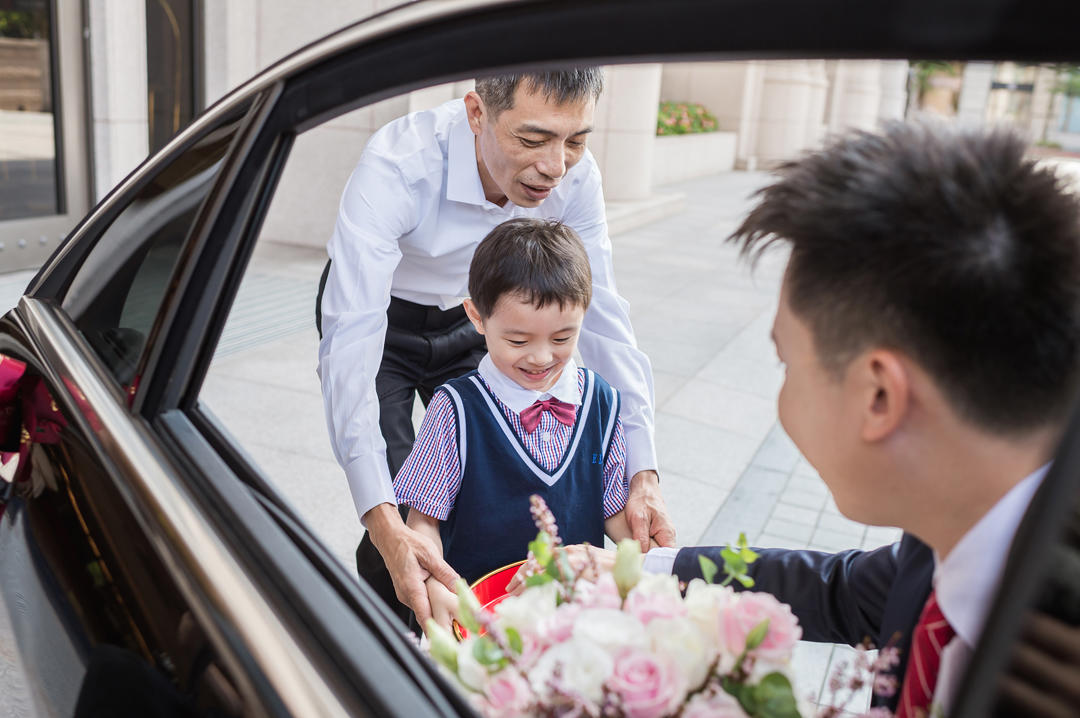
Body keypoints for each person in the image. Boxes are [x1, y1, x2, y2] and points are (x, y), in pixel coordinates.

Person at [518, 121, 1080, 717]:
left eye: (786, 363)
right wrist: (648, 569)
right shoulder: (950, 537)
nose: (782, 400)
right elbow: (839, 592)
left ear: (879, 397)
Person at [317, 69, 675, 628]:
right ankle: (396, 640)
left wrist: (643, 473)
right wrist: (378, 514)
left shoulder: (576, 179)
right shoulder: (398, 164)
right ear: (477, 113)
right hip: (384, 321)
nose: (555, 166)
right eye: (532, 140)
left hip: (480, 320)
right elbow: (351, 337)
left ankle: (490, 629)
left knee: (486, 479)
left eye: (576, 140)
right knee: (401, 511)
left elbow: (603, 315)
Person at [395, 218, 647, 631]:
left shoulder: (601, 401)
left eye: (563, 338)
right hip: (480, 620)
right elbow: (423, 521)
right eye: (518, 341)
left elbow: (616, 515)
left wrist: (652, 564)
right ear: (476, 316)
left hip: (576, 621)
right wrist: (437, 586)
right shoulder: (456, 409)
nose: (542, 358)